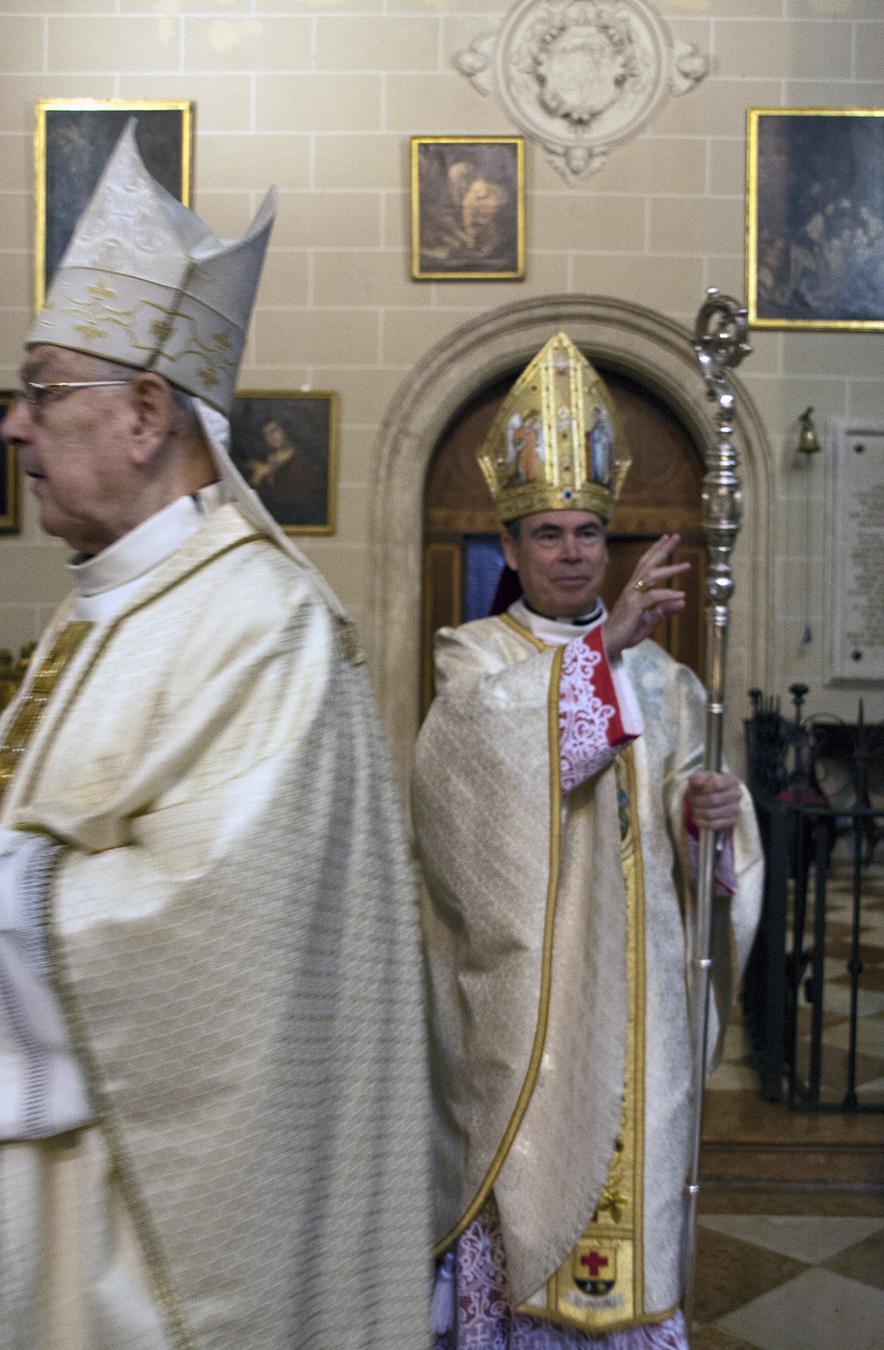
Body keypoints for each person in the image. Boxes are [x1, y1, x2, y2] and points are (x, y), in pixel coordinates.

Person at [0, 122, 429, 1349]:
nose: (14, 426)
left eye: (41, 390)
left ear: (142, 412)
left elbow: (221, 932)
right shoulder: (111, 599)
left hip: (153, 1241)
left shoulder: (259, 622)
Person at [413, 333, 763, 1348]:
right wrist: (604, 650)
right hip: (526, 1027)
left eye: (589, 535)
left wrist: (713, 827)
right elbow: (466, 787)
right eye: (550, 534)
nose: (573, 553)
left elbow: (709, 868)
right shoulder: (473, 658)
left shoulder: (670, 683)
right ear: (511, 548)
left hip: (637, 1025)